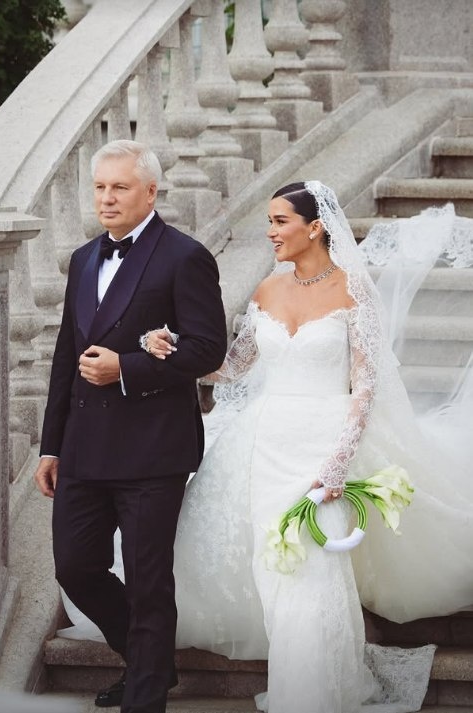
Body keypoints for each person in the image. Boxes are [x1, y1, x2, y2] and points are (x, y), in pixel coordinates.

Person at [59, 181, 473, 713]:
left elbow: (366, 387)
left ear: (314, 227)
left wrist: (339, 462)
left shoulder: (354, 293)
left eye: (280, 221)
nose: (271, 232)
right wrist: (169, 348)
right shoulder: (267, 291)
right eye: (269, 222)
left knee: (312, 571)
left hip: (325, 445)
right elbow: (231, 367)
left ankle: (313, 698)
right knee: (275, 571)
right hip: (265, 445)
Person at [34, 139, 227, 713]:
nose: (107, 198)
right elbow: (65, 356)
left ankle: (145, 697)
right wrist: (50, 445)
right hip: (84, 448)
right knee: (76, 568)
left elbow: (208, 348)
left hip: (153, 450)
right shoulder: (82, 258)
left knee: (148, 582)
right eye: (99, 187)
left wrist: (128, 368)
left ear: (150, 192)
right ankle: (152, 665)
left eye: (120, 187)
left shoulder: (185, 257)